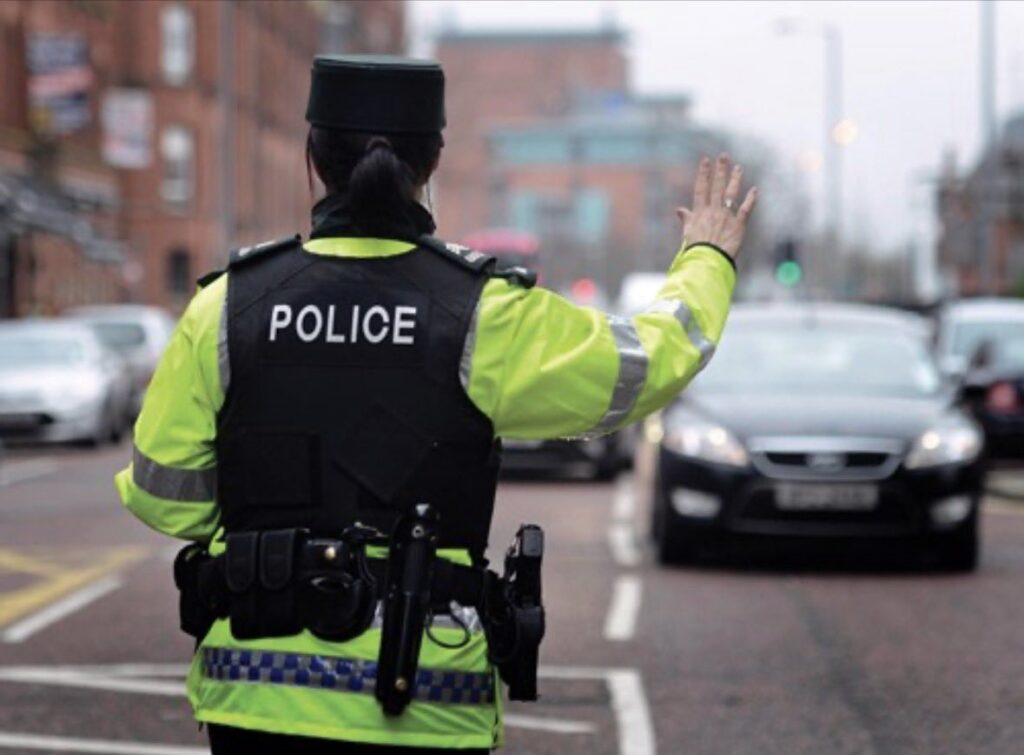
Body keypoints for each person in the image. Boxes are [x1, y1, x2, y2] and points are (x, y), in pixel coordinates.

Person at [115, 54, 756, 753]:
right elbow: (649, 361)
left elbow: (162, 493)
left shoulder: (227, 305)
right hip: (424, 699)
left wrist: (269, 536)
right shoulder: (482, 312)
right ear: (432, 163)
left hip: (255, 693)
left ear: (312, 160)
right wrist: (707, 257)